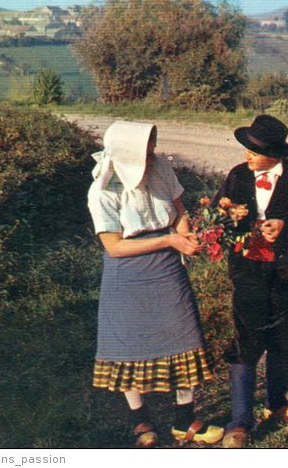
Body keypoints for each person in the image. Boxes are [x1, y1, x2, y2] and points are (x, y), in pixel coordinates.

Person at [88, 120, 223, 448]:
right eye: (144, 152)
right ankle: (140, 420)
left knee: (184, 337)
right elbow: (115, 246)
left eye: (151, 148)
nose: (151, 156)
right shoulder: (103, 190)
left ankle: (183, 418)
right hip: (128, 273)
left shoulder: (160, 167)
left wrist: (186, 235)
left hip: (167, 267)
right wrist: (169, 241)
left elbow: (179, 212)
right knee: (127, 345)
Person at [213, 115, 288, 448]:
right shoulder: (237, 176)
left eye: (254, 150)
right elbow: (220, 218)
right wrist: (233, 222)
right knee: (246, 337)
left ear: (274, 153)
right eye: (246, 147)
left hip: (285, 271)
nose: (246, 154)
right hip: (247, 271)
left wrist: (287, 227)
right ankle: (240, 421)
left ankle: (277, 402)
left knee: (281, 336)